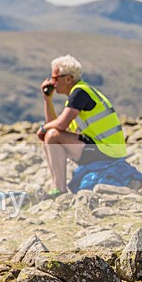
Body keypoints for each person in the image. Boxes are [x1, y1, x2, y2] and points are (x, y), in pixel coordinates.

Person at [37, 54, 126, 197]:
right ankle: (57, 186)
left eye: (55, 78)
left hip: (107, 152)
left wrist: (42, 129)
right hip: (104, 148)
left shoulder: (80, 93)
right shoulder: (78, 94)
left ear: (68, 79)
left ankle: (59, 189)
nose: (52, 82)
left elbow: (60, 125)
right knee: (50, 137)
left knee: (52, 136)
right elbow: (57, 127)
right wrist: (48, 101)